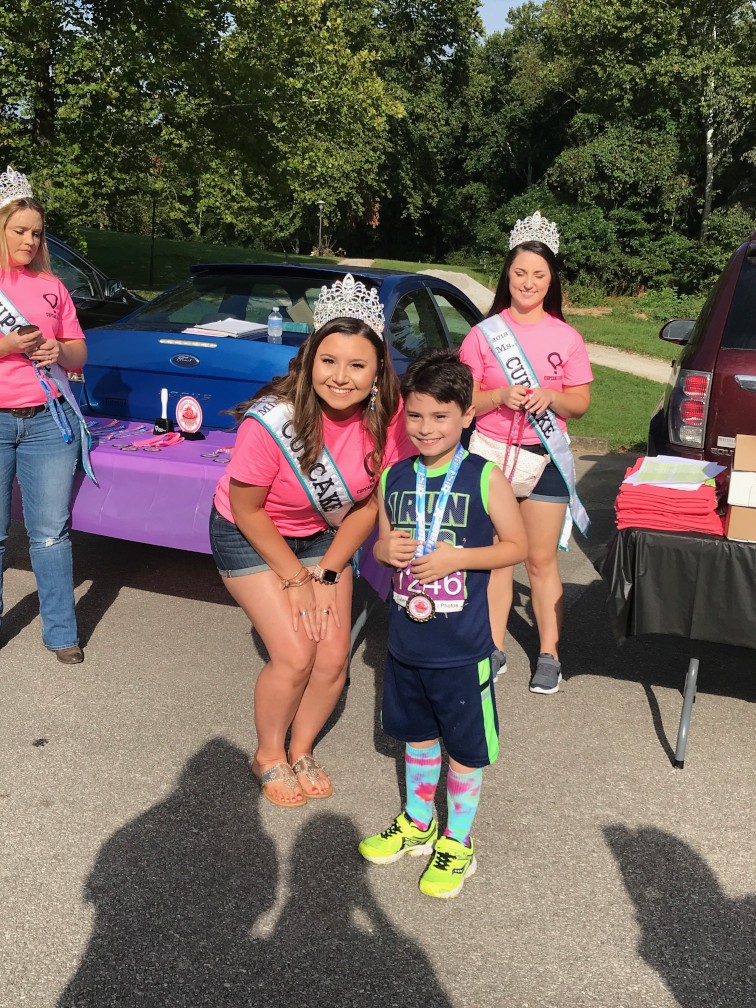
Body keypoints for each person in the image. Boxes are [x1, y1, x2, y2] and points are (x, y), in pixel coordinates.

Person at [209, 274, 411, 808]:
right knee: (296, 654)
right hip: (250, 533)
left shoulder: (388, 421)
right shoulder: (271, 420)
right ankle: (267, 754)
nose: (340, 377)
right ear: (309, 360)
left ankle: (301, 750)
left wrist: (327, 571)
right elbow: (248, 510)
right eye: (329, 361)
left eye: (357, 365)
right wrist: (297, 580)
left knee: (332, 657)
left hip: (324, 533)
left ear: (377, 372)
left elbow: (370, 504)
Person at [359, 349, 527, 899]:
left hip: (461, 647)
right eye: (415, 415)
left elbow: (517, 546)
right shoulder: (394, 476)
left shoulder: (485, 477)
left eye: (440, 416)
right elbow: (381, 545)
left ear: (466, 415)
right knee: (417, 737)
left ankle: (458, 841)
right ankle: (417, 822)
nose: (425, 427)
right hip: (407, 641)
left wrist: (459, 558)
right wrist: (382, 550)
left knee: (465, 750)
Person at [459, 210, 593, 695]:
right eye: (520, 272)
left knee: (539, 560)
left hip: (544, 457)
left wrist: (551, 396)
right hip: (492, 455)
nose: (528, 282)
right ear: (507, 275)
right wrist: (498, 396)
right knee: (498, 557)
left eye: (538, 274)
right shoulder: (483, 334)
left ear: (551, 279)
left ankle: (549, 653)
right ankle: (492, 647)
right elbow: (463, 403)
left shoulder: (566, 336)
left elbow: (580, 402)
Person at [0, 167, 92, 664]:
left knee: (51, 533)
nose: (30, 241)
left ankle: (61, 633)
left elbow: (79, 351)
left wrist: (60, 350)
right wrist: (8, 346)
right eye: (20, 231)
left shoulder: (53, 286)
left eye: (36, 233)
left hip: (48, 420)